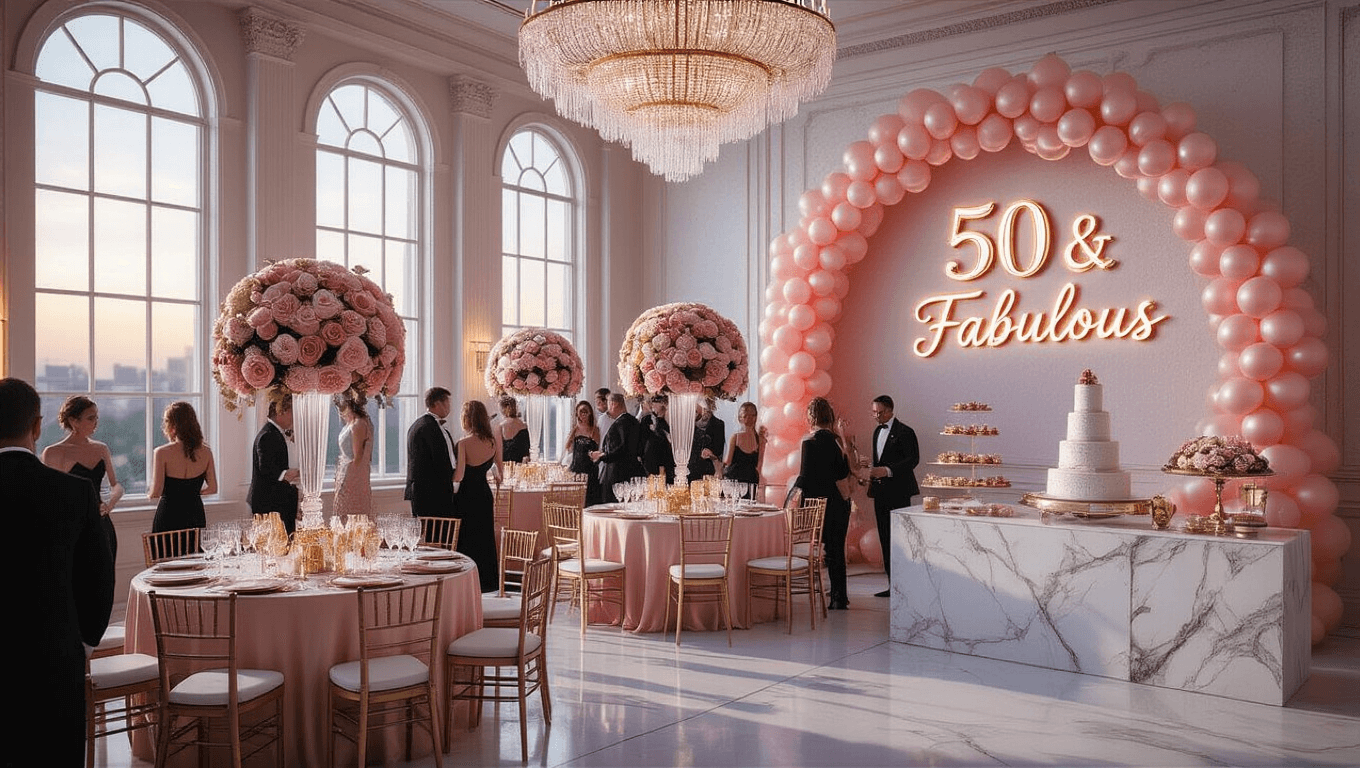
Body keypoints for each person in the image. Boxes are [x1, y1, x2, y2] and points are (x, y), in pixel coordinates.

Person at [2, 378, 114, 766]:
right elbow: (98, 579)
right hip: (55, 653)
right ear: (36, 426)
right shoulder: (73, 493)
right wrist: (82, 642)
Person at [42, 395, 124, 559]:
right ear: (74, 421)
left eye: (96, 417)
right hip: (73, 529)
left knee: (105, 581)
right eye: (91, 417)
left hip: (102, 525)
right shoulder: (53, 452)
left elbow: (117, 486)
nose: (96, 422)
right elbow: (50, 498)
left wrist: (109, 504)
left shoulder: (101, 449)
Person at [793, 397, 852, 610]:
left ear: (811, 417)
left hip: (817, 506)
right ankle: (839, 596)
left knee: (824, 550)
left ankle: (830, 593)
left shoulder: (809, 443)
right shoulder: (836, 441)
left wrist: (798, 503)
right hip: (837, 503)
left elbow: (805, 477)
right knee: (837, 550)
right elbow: (843, 474)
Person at [861, 395, 921, 597]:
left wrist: (886, 470)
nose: (876, 416)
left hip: (899, 492)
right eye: (873, 412)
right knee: (885, 538)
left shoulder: (905, 432)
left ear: (890, 411)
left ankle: (904, 586)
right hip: (880, 492)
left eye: (879, 412)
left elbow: (913, 460)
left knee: (899, 540)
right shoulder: (877, 431)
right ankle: (891, 585)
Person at [454, 400, 502, 592]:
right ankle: (487, 581)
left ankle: (467, 581)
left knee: (466, 539)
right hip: (484, 495)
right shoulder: (492, 442)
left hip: (466, 496)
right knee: (484, 538)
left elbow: (459, 476)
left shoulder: (463, 443)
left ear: (466, 419)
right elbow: (500, 472)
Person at [149, 402, 216, 533]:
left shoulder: (161, 452)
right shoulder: (206, 452)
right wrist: (191, 493)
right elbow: (213, 488)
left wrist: (149, 494)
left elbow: (156, 492)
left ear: (172, 425)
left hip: (169, 516)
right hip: (195, 514)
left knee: (167, 552)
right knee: (195, 552)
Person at [248, 396, 300, 533]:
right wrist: (288, 474)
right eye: (292, 412)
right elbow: (266, 468)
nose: (294, 417)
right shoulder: (268, 435)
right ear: (280, 412)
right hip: (270, 503)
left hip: (275, 500)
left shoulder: (273, 432)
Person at [405, 387, 457, 518]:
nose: (449, 407)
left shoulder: (420, 424)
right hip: (431, 493)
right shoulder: (429, 428)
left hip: (425, 491)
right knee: (435, 534)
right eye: (448, 403)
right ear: (438, 403)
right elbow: (440, 461)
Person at [591, 392, 643, 503]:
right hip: (633, 471)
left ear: (613, 404)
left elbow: (621, 449)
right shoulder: (633, 421)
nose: (607, 410)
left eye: (609, 404)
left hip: (617, 475)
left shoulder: (621, 423)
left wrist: (602, 456)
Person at [333, 392, 373, 518]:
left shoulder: (359, 424)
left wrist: (346, 483)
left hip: (353, 478)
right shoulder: (352, 423)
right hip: (344, 474)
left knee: (352, 516)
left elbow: (357, 458)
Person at [562, 400, 603, 507]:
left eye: (585, 412)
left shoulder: (594, 430)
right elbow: (568, 449)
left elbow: (597, 450)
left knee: (589, 502)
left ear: (590, 413)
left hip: (590, 471)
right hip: (576, 470)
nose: (583, 415)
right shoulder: (574, 430)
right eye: (580, 412)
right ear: (577, 413)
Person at [723, 401, 766, 499]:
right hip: (751, 481)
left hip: (734, 482)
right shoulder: (760, 439)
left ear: (739, 418)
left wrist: (716, 462)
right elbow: (759, 466)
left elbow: (728, 461)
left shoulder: (735, 437)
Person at [638, 394, 676, 484]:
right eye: (653, 403)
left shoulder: (668, 420)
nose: (653, 405)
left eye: (656, 403)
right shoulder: (646, 420)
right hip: (651, 461)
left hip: (667, 460)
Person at [688, 396, 725, 481]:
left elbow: (719, 452)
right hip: (690, 474)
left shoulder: (718, 425)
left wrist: (711, 454)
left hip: (709, 475)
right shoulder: (689, 424)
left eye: (695, 405)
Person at [497, 395, 531, 463]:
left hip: (504, 468)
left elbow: (497, 452)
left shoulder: (501, 426)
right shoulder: (523, 425)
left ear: (502, 410)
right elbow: (526, 453)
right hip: (519, 467)